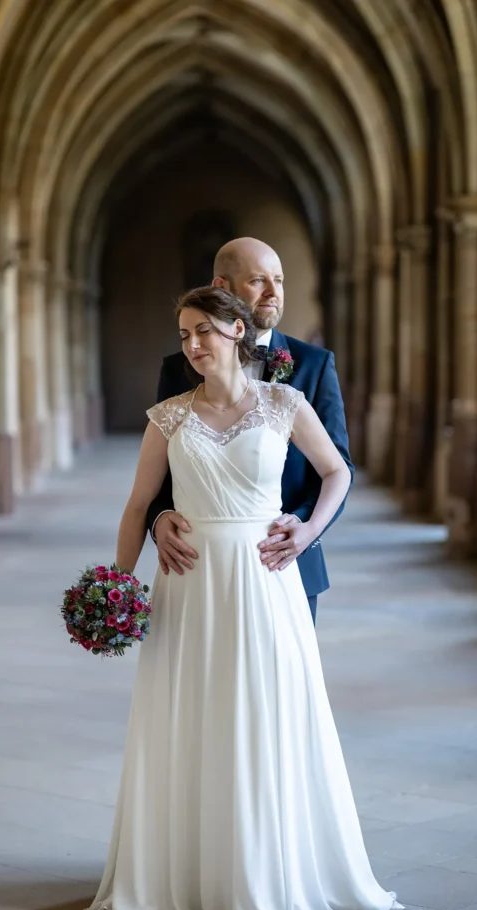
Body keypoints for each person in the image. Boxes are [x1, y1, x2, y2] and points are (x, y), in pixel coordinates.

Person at [84, 286, 403, 910]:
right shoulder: (168, 416)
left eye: (204, 330)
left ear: (237, 331)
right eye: (183, 334)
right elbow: (137, 503)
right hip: (190, 582)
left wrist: (306, 529)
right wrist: (119, 586)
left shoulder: (284, 403)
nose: (193, 344)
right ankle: (186, 873)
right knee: (193, 717)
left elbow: (336, 471)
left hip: (264, 582)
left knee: (265, 713)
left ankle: (268, 870)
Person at [146, 237, 353, 623]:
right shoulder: (178, 368)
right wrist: (159, 520)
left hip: (287, 565)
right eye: (259, 281)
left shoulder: (314, 364)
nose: (275, 293)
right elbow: (161, 469)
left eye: (280, 280)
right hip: (198, 568)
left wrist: (306, 528)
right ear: (222, 287)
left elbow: (338, 466)